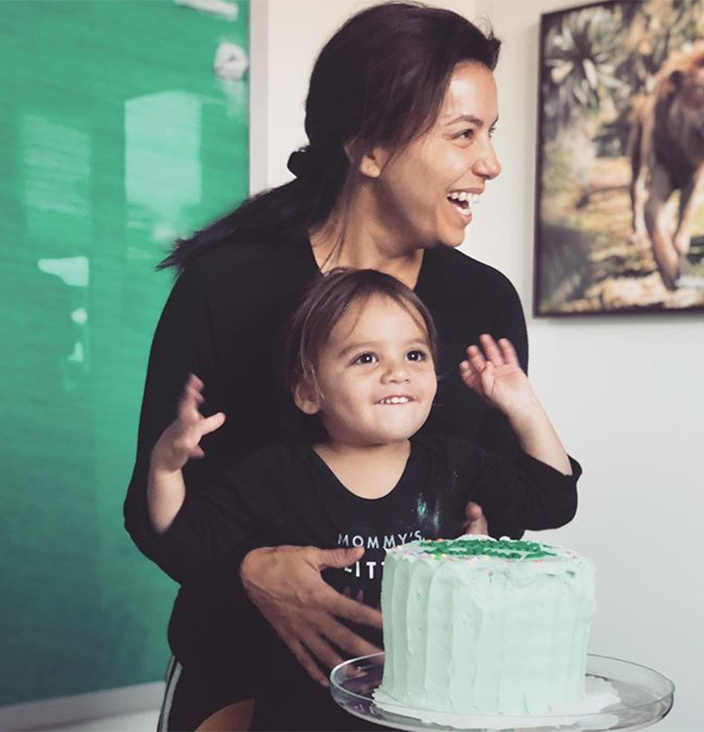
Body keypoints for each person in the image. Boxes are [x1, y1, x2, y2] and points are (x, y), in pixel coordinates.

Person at [124, 3, 532, 729]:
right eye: (463, 133)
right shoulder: (229, 285)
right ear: (369, 148)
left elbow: (505, 498)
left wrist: (483, 543)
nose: (490, 163)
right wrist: (250, 570)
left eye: (490, 133)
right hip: (240, 680)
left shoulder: (485, 303)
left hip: (420, 689)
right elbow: (155, 507)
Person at [147, 269, 580, 731]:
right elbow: (188, 541)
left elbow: (552, 501)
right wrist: (166, 469)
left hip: (424, 712)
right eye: (366, 358)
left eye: (414, 354)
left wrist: (525, 408)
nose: (397, 372)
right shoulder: (274, 474)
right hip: (301, 714)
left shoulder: (457, 465)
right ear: (308, 391)